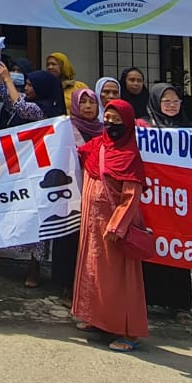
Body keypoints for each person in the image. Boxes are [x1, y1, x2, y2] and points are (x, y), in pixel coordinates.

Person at [71, 98, 149, 352]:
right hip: (92, 225)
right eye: (108, 119)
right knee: (93, 272)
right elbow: (73, 152)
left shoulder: (130, 156)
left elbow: (131, 196)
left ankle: (128, 332)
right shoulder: (97, 146)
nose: (111, 124)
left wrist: (117, 226)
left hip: (113, 229)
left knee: (119, 279)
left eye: (117, 120)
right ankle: (98, 319)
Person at [0, 63, 48, 281]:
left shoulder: (43, 109)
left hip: (33, 169)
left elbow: (21, 107)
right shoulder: (21, 99)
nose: (27, 88)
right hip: (9, 165)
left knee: (34, 216)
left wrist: (6, 78)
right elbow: (2, 94)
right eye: (26, 84)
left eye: (30, 85)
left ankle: (34, 265)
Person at [141, 82, 192, 322]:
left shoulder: (191, 130)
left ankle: (181, 304)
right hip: (153, 200)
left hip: (180, 202)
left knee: (179, 250)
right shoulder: (143, 127)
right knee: (150, 247)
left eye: (176, 101)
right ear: (156, 102)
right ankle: (146, 300)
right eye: (166, 101)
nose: (172, 106)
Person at [51, 84, 106, 300]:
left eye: (92, 102)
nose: (88, 106)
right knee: (69, 237)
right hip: (70, 192)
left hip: (97, 193)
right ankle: (67, 285)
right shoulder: (65, 128)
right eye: (82, 102)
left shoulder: (105, 130)